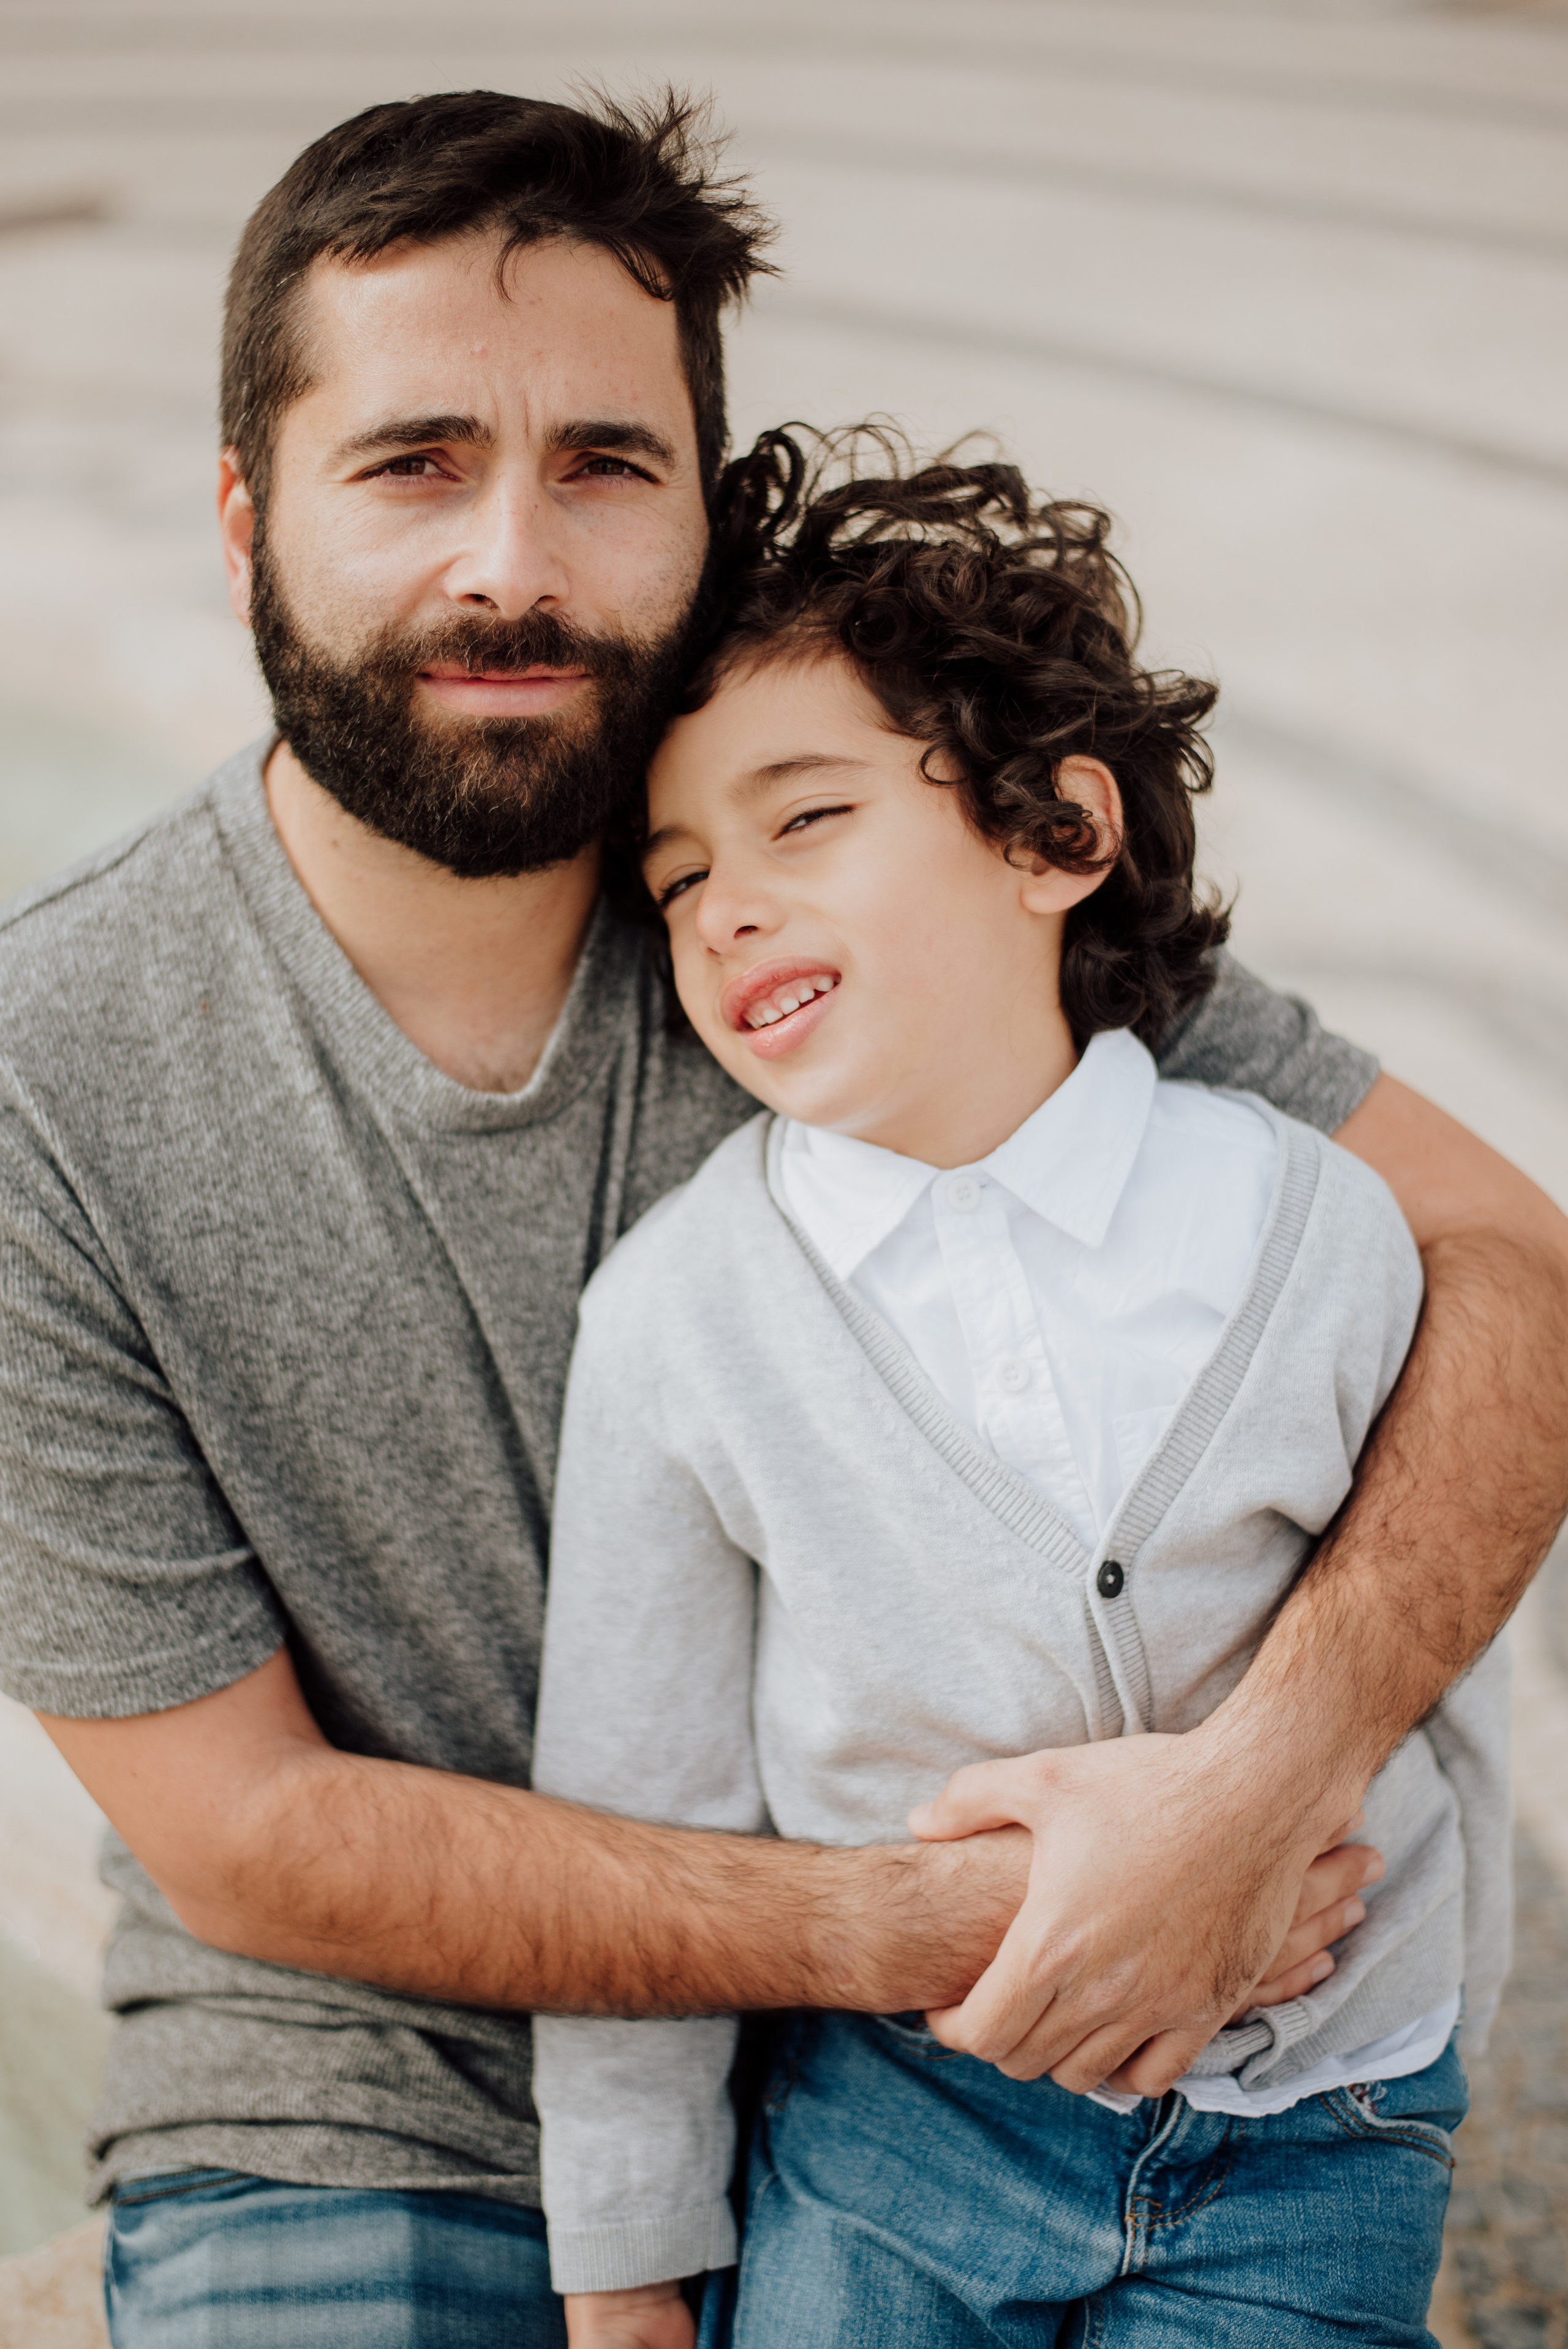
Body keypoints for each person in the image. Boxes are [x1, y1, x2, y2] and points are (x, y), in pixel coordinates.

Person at [0, 88, 1559, 2349]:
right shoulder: (46, 1072)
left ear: (704, 517)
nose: (511, 561)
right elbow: (251, 1829)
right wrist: (914, 1929)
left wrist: (1258, 1784)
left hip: (996, 2072)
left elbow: (1511, 1268)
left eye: (606, 466)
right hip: (364, 2087)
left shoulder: (855, 887)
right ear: (246, 514)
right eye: (415, 460)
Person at [529, 443, 1507, 2347]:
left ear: (1057, 836)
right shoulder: (677, 1321)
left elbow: (1437, 1642)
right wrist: (628, 2276)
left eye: (801, 819)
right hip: (896, 2138)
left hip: (1320, 2127)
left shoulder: (1316, 1222)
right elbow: (633, 1805)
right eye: (679, 878)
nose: (724, 908)